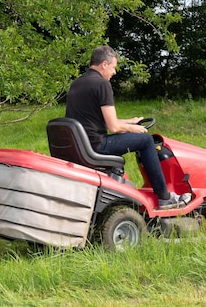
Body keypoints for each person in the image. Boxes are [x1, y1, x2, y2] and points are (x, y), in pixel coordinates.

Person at [65, 45, 190, 209]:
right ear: (104, 64)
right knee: (145, 140)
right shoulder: (102, 84)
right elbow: (113, 127)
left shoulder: (77, 84)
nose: (114, 72)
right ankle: (165, 197)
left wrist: (130, 122)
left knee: (139, 136)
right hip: (97, 145)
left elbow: (99, 120)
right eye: (113, 67)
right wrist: (135, 129)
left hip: (82, 145)